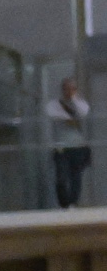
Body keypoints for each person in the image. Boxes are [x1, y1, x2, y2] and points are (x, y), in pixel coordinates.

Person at [48, 77, 91, 210]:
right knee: (61, 177)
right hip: (61, 147)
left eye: (72, 89)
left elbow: (83, 112)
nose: (68, 91)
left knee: (76, 176)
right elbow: (54, 114)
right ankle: (64, 204)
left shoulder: (81, 103)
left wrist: (74, 99)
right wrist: (72, 118)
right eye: (66, 89)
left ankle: (73, 203)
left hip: (77, 146)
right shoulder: (54, 104)